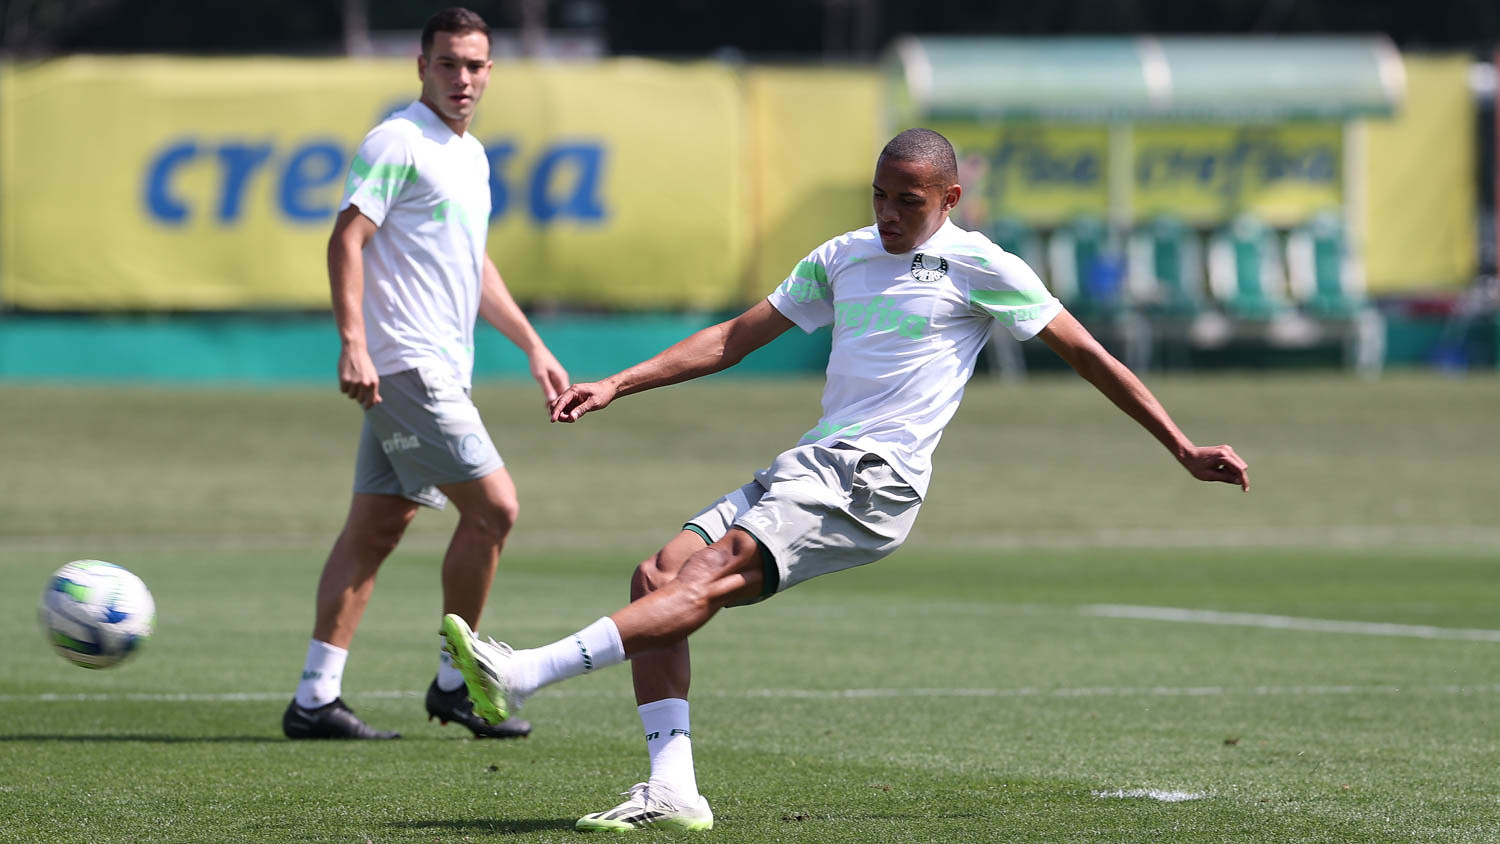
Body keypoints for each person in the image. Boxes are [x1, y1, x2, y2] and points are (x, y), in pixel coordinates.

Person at [439, 128, 1251, 827]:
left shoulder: (981, 266)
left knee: (710, 575)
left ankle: (525, 672)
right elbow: (733, 338)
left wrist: (1179, 446)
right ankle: (673, 788)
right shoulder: (845, 256)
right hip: (812, 460)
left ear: (951, 196)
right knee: (659, 573)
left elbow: (1088, 356)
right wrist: (620, 381)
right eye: (879, 197)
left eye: (909, 201)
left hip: (873, 479)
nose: (889, 215)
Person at [282, 7, 568, 741]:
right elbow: (348, 237)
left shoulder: (468, 156)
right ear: (422, 67)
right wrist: (354, 342)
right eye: (448, 64)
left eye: (475, 66)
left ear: (490, 70)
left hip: (432, 369)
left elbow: (473, 267)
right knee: (495, 508)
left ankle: (315, 698)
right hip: (406, 366)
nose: (462, 79)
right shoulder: (398, 140)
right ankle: (458, 683)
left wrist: (532, 345)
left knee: (377, 527)